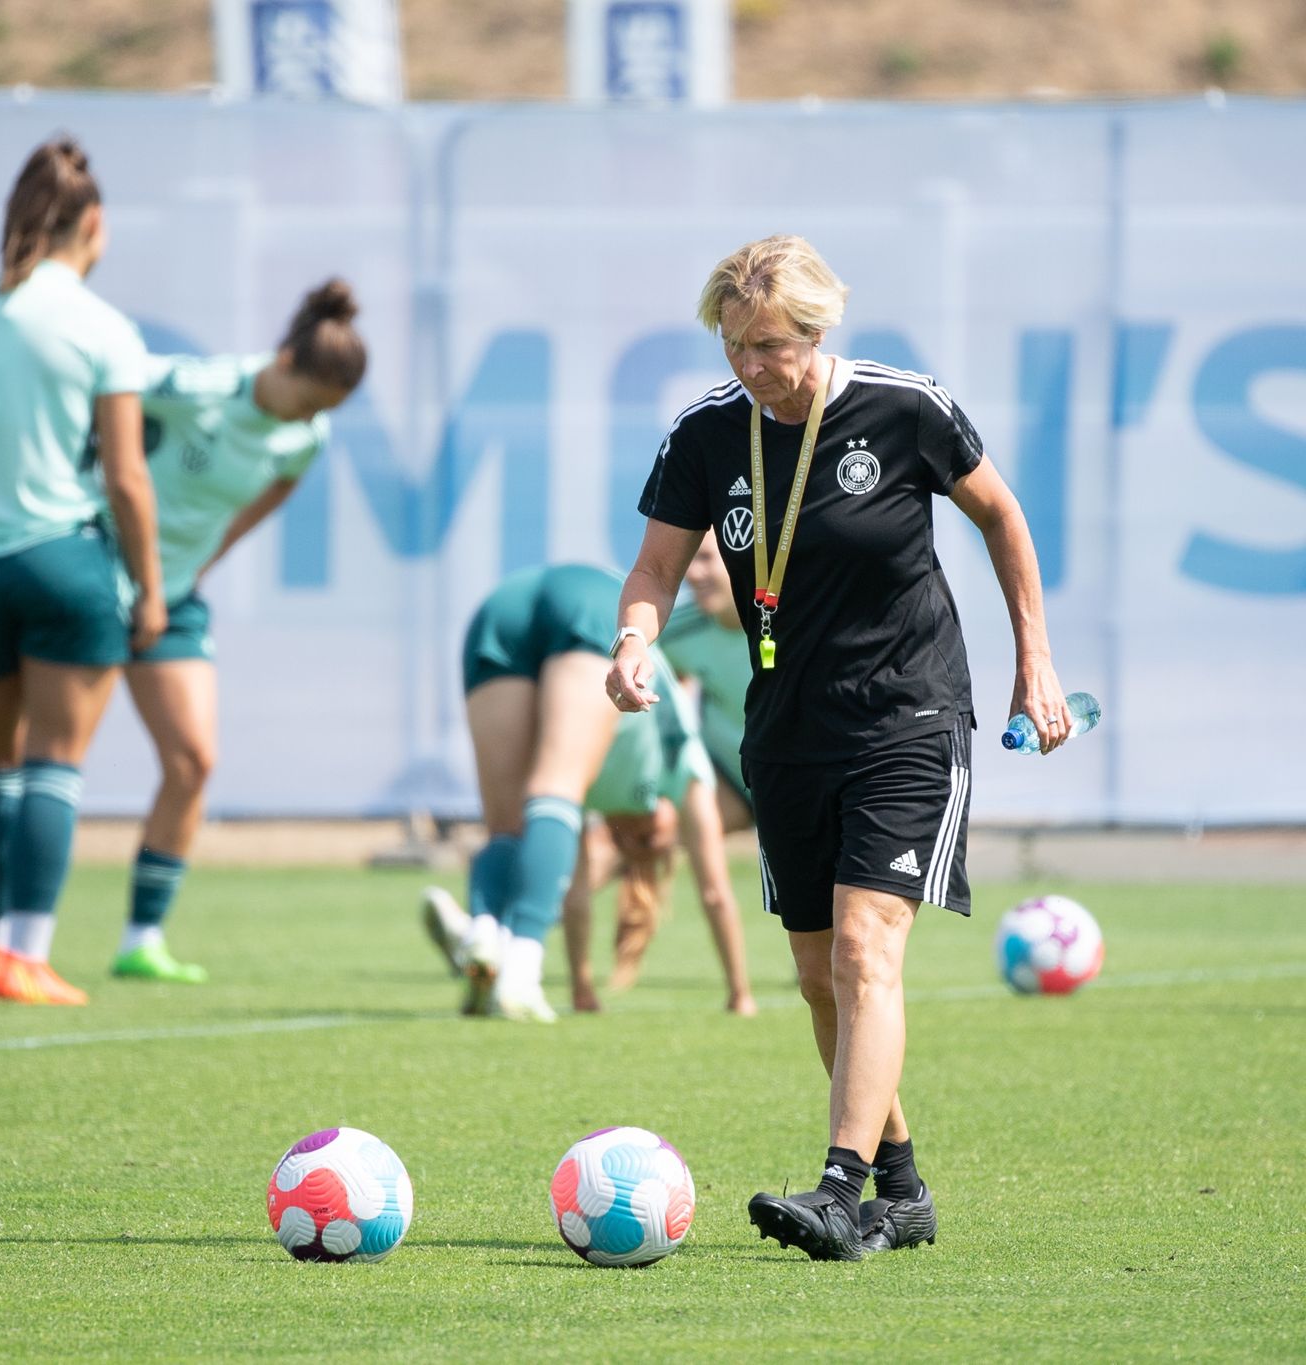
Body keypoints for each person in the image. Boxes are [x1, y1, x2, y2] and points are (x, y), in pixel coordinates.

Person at [610, 234, 1072, 1260]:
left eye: (768, 345)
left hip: (906, 714)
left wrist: (1032, 663)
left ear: (815, 332)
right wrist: (633, 640)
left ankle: (836, 1190)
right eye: (732, 345)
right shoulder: (704, 437)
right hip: (784, 733)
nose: (750, 366)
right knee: (821, 976)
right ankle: (900, 1189)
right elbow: (650, 567)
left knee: (868, 949)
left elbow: (1001, 517)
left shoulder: (904, 407)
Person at [0, 136, 166, 1007]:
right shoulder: (103, 329)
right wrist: (149, 588)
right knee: (54, 766)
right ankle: (29, 955)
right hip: (64, 560)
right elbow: (126, 477)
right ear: (94, 223)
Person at [109, 281, 368, 984]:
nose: (312, 419)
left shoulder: (304, 434)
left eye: (326, 410)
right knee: (33, 750)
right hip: (97, 565)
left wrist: (199, 563)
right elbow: (103, 389)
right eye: (309, 400)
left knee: (192, 761)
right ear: (282, 360)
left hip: (173, 596)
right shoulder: (197, 386)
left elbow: (279, 484)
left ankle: (142, 937)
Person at [423, 643, 756, 1018]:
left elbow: (576, 895)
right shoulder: (685, 770)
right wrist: (740, 993)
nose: (659, 831)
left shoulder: (596, 778)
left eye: (638, 841)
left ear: (617, 837)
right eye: (658, 842)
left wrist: (582, 989)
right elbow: (716, 895)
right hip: (590, 658)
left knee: (520, 844)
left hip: (560, 678)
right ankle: (484, 938)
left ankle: (482, 933)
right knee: (526, 847)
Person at [659, 538, 756, 833]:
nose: (692, 573)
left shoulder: (799, 619)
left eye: (705, 558)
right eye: (689, 559)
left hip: (804, 773)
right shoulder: (672, 631)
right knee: (638, 831)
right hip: (727, 775)